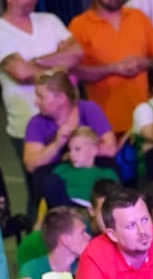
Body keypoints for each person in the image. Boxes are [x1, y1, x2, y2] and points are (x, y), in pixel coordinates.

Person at [0, 0, 83, 219]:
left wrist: (35, 62)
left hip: (67, 118)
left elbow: (77, 53)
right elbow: (20, 71)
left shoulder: (49, 21)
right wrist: (58, 63)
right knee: (40, 191)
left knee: (74, 181)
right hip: (26, 124)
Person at [68, 0, 153, 136]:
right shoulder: (79, 25)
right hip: (108, 122)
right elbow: (76, 71)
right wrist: (114, 68)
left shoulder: (138, 17)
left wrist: (145, 63)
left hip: (148, 117)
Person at [23, 71, 117, 214]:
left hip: (91, 173)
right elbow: (31, 164)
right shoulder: (36, 123)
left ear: (61, 98)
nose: (36, 102)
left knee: (110, 168)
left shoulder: (88, 109)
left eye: (41, 97)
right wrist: (57, 145)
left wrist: (82, 149)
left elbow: (110, 148)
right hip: (60, 181)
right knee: (45, 179)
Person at [47, 128, 120, 208]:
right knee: (52, 181)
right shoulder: (62, 169)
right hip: (64, 209)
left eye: (77, 149)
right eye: (70, 150)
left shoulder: (106, 173)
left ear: (94, 150)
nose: (71, 154)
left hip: (90, 212)